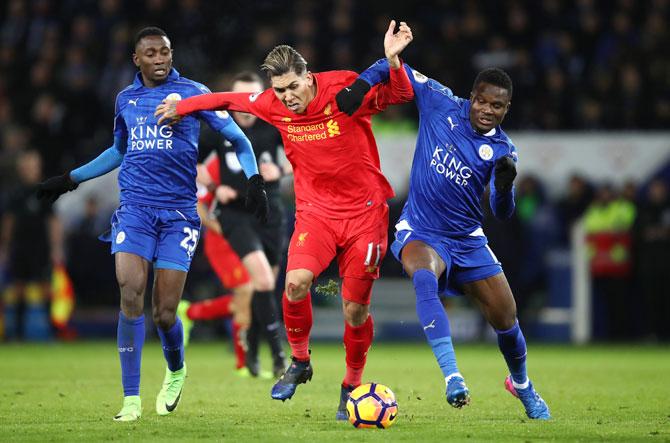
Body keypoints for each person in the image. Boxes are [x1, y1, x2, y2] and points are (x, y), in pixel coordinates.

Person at [155, 43, 413, 419]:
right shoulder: (272, 105)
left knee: (355, 309)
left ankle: (351, 384)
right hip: (316, 214)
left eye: (293, 87)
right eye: (279, 90)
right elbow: (228, 100)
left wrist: (393, 63)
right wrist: (182, 106)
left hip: (365, 214)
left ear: (308, 78)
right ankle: (300, 361)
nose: (287, 97)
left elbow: (401, 93)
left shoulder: (342, 89)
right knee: (294, 284)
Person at [36, 27, 267, 422]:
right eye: (152, 53)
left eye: (165, 52)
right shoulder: (126, 99)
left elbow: (238, 139)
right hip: (135, 210)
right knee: (130, 291)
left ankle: (176, 370)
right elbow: (118, 151)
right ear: (136, 59)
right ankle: (130, 399)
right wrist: (70, 179)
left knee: (164, 313)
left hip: (179, 214)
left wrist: (254, 179)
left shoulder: (194, 93)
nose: (160, 58)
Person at [335, 21, 550, 420]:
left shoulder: (504, 150)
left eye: (497, 106)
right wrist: (370, 76)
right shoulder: (439, 102)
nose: (487, 111)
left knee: (507, 318)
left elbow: (503, 213)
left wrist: (505, 188)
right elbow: (395, 70)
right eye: (482, 101)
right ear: (471, 97)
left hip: (467, 238)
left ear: (506, 109)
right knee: (422, 273)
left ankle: (522, 385)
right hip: (420, 229)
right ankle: (453, 377)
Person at [179, 71, 289, 379]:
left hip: (270, 214)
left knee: (260, 290)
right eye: (240, 99)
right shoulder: (219, 129)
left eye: (253, 98)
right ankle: (279, 356)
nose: (246, 105)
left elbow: (302, 158)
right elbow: (193, 163)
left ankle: (252, 353)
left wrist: (279, 169)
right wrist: (215, 187)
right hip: (235, 215)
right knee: (263, 282)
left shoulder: (274, 126)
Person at [1, 150, 64, 341]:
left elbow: (52, 221)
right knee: (19, 288)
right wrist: (5, 247)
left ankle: (53, 333)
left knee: (46, 288)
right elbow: (8, 221)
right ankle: (19, 335)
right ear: (21, 169)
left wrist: (56, 248)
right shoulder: (15, 193)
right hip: (20, 247)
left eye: (34, 166)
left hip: (40, 247)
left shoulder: (44, 191)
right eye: (27, 166)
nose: (30, 170)